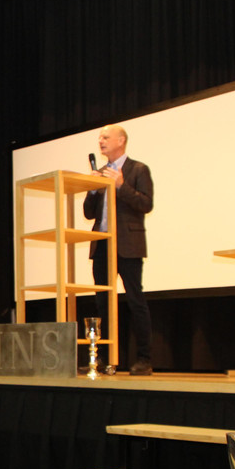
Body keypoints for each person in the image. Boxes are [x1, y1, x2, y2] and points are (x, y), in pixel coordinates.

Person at [83, 124, 154, 376]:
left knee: (135, 301)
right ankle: (103, 357)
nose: (100, 141)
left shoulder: (138, 169)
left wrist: (122, 186)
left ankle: (144, 359)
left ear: (121, 140)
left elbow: (146, 204)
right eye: (99, 137)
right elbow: (88, 213)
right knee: (102, 303)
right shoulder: (100, 173)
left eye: (105, 137)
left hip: (128, 244)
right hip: (102, 244)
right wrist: (92, 189)